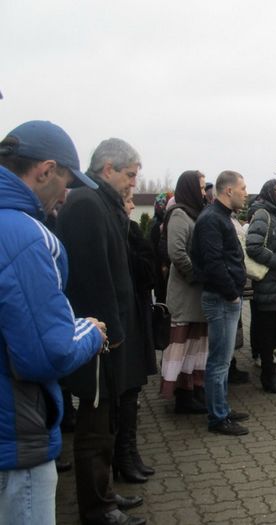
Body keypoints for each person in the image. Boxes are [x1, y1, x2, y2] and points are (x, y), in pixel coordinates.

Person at [0, 121, 106, 525]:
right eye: (64, 180)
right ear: (44, 171)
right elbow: (49, 351)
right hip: (16, 437)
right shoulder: (25, 236)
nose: (65, 193)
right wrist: (90, 331)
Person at [57, 138, 149, 524]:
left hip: (111, 335)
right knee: (94, 427)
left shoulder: (101, 205)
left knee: (107, 422)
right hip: (99, 339)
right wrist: (107, 337)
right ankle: (97, 508)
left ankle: (106, 494)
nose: (132, 184)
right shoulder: (85, 205)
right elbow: (92, 281)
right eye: (129, 175)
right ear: (107, 169)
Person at [190, 170, 250, 436]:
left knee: (224, 360)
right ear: (228, 191)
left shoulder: (222, 217)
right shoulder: (212, 220)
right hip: (220, 298)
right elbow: (213, 262)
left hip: (226, 297)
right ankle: (217, 417)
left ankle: (222, 407)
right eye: (243, 189)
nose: (246, 193)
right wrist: (231, 292)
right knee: (218, 361)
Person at [160, 171, 209, 414]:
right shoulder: (179, 214)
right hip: (184, 293)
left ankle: (194, 390)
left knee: (195, 346)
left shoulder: (195, 214)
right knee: (181, 345)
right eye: (200, 187)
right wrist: (196, 275)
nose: (203, 192)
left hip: (196, 295)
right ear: (189, 188)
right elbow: (176, 252)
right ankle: (181, 396)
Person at [121, 191, 158, 481]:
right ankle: (123, 455)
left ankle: (130, 452)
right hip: (124, 317)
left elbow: (149, 269)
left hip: (138, 308)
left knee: (133, 391)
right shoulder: (119, 232)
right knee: (124, 393)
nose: (133, 205)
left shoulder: (130, 230)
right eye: (128, 200)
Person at [246, 178, 276, 393]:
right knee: (266, 334)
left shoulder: (275, 214)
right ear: (272, 194)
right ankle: (268, 376)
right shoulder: (262, 215)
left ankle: (272, 373)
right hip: (267, 284)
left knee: (275, 331)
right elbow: (253, 246)